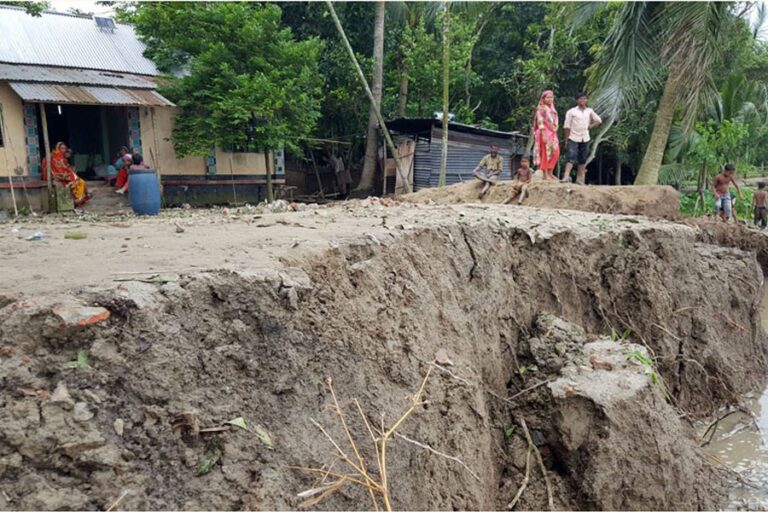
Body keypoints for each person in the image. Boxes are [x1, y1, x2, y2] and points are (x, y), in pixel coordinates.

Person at [563, 93, 602, 185]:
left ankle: (579, 179)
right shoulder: (571, 112)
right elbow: (566, 126)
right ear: (577, 100)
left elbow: (599, 120)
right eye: (581, 99)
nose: (583, 101)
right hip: (573, 137)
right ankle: (566, 176)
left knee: (583, 158)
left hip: (585, 137)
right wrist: (566, 139)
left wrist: (590, 126)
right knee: (571, 157)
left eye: (585, 99)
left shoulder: (589, 111)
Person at [49, 142, 90, 207]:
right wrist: (70, 172)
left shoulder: (62, 157)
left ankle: (79, 199)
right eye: (62, 148)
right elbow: (60, 169)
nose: (64, 150)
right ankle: (78, 199)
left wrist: (71, 170)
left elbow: (66, 167)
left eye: (65, 148)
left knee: (81, 182)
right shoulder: (56, 156)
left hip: (65, 175)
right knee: (79, 182)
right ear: (58, 148)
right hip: (60, 176)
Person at [533, 90, 560, 181]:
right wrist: (543, 134)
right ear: (543, 99)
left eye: (551, 97)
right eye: (547, 97)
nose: (550, 99)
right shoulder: (541, 108)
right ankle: (545, 174)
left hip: (552, 133)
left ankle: (550, 172)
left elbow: (555, 123)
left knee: (555, 152)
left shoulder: (552, 109)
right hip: (544, 133)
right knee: (545, 153)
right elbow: (540, 121)